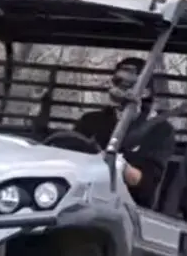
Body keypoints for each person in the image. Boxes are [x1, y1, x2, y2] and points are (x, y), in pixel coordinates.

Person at [73, 57, 176, 209]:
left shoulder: (160, 131)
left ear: (146, 91)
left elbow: (146, 185)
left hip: (127, 209)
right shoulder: (90, 121)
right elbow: (69, 152)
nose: (118, 89)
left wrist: (121, 167)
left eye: (128, 85)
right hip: (79, 198)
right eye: (116, 81)